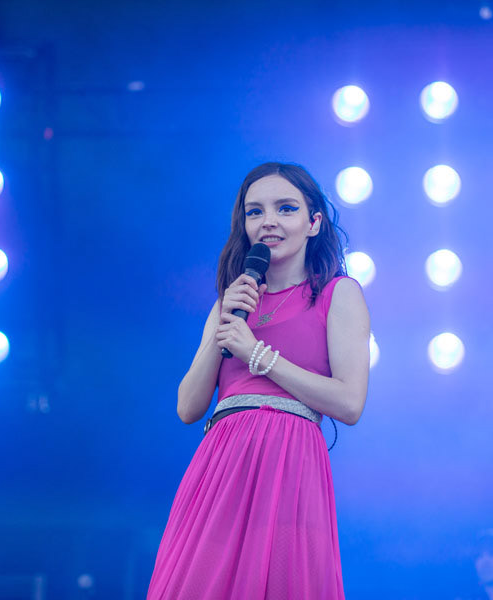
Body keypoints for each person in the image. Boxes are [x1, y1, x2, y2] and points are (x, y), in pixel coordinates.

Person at [147, 162, 371, 599]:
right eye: (255, 211)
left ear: (313, 223)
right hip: (221, 465)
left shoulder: (338, 293)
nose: (268, 220)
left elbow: (350, 403)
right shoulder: (229, 303)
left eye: (285, 208)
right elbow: (188, 407)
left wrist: (258, 355)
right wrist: (224, 323)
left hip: (289, 462)